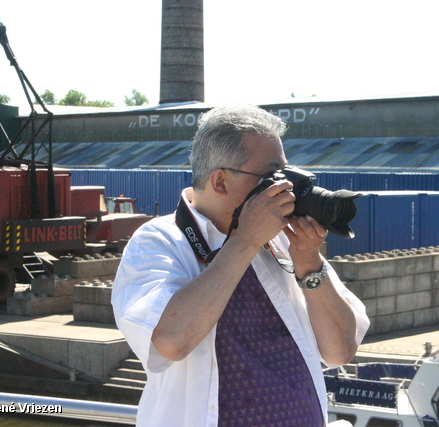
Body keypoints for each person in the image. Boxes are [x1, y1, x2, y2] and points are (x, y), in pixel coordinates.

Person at [111, 104, 370, 426]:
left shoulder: (284, 241)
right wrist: (245, 241)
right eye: (273, 176)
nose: (287, 187)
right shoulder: (158, 240)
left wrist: (309, 263)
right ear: (220, 181)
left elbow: (339, 352)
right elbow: (171, 341)